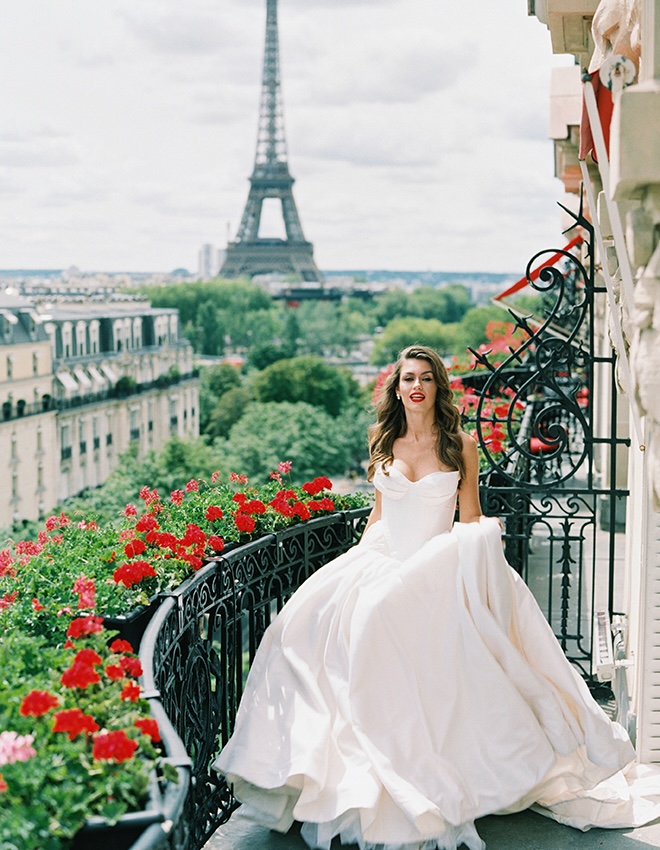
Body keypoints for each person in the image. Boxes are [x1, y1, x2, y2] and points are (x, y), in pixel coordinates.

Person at [214, 345, 660, 850]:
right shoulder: (381, 438)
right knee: (302, 625)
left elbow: (468, 518)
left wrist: (477, 556)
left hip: (437, 562)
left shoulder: (459, 445)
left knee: (382, 617)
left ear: (438, 387)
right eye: (408, 378)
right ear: (397, 387)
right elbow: (379, 516)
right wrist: (352, 570)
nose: (417, 386)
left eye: (426, 378)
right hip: (384, 555)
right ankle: (343, 766)